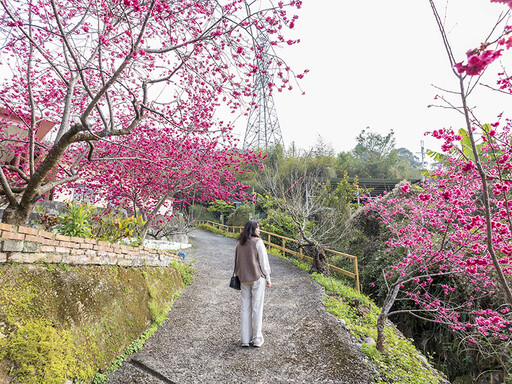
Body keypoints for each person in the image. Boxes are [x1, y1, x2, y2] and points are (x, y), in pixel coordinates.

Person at [234, 220, 271, 348]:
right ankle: (257, 339)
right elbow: (264, 263)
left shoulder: (240, 243)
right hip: (257, 278)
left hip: (243, 279)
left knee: (245, 308)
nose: (259, 230)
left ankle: (245, 339)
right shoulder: (258, 242)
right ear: (252, 229)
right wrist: (268, 277)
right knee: (257, 309)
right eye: (258, 228)